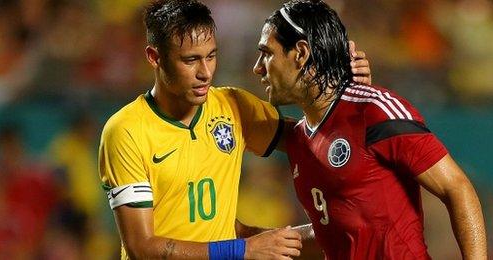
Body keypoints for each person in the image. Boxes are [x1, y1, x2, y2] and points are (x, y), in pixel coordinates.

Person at [97, 0, 372, 259]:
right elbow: (141, 247)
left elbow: (316, 139)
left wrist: (346, 92)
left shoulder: (233, 106)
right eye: (190, 60)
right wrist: (241, 250)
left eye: (211, 56)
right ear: (155, 57)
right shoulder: (126, 130)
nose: (205, 72)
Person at [252, 0, 487, 259]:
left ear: (301, 53)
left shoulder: (374, 111)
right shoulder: (299, 139)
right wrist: (253, 238)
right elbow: (336, 232)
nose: (258, 67)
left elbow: (457, 188)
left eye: (267, 53)